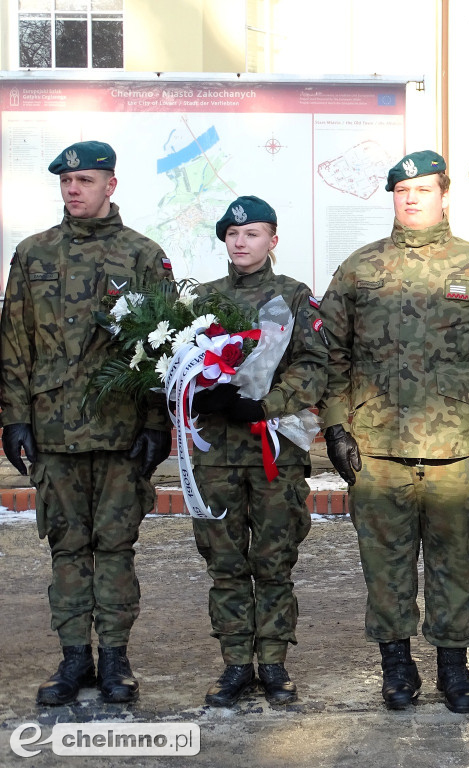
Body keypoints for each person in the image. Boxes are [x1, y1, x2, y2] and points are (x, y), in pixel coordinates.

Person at [318, 151, 469, 713]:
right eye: (401, 190)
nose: (411, 198)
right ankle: (397, 666)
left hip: (457, 451)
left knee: (452, 563)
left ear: (444, 194)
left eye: (422, 189)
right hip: (376, 450)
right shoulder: (359, 270)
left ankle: (453, 667)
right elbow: (331, 353)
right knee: (384, 567)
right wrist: (336, 427)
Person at [0, 140, 174, 705]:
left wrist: (156, 422)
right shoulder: (33, 254)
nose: (74, 189)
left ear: (111, 186)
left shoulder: (143, 256)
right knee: (66, 548)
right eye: (67, 182)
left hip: (120, 431)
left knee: (117, 546)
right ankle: (74, 658)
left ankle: (117, 660)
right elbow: (14, 342)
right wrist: (14, 418)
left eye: (86, 180)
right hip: (53, 431)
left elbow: (164, 351)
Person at [188, 195, 327, 708]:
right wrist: (199, 391)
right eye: (232, 235)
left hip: (273, 447)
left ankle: (273, 663)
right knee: (224, 563)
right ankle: (234, 664)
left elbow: (313, 365)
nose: (241, 242)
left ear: (272, 240)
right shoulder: (202, 299)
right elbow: (178, 364)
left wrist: (265, 403)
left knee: (273, 560)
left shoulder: (293, 297)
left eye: (252, 234)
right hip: (216, 452)